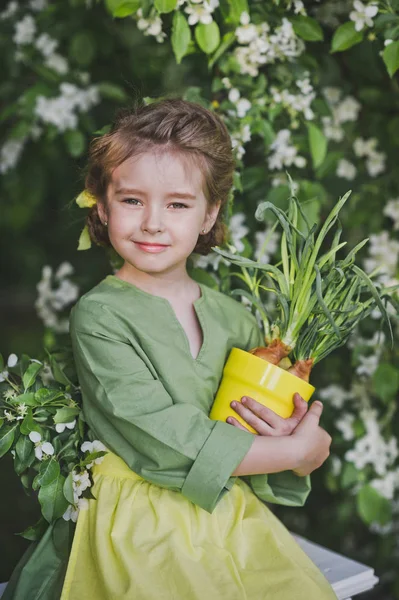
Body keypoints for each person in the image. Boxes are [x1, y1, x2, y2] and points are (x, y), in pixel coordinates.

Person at [5, 97, 336, 600]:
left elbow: (258, 430)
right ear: (102, 204)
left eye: (178, 204)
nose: (153, 223)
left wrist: (299, 453)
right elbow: (157, 435)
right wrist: (288, 449)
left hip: (224, 512)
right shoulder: (101, 314)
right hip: (134, 520)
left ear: (209, 214)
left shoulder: (237, 318)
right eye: (132, 200)